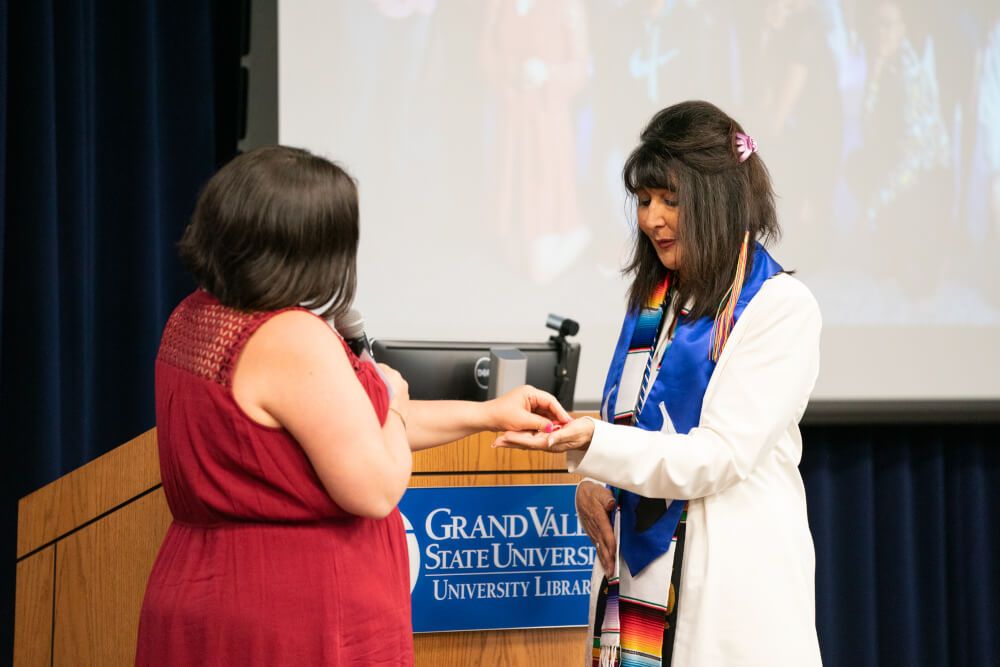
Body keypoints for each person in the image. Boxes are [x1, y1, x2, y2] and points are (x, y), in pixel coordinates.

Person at [134, 145, 570, 666]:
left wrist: (486, 413)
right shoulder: (290, 335)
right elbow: (377, 486)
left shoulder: (196, 314)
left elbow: (348, 432)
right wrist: (397, 403)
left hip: (206, 590)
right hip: (289, 611)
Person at [496, 101, 823, 666]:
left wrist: (593, 445)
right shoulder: (658, 303)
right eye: (645, 200)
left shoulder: (780, 308)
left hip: (728, 585)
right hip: (639, 581)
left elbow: (717, 457)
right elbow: (635, 429)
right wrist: (597, 482)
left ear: (717, 199)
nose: (651, 218)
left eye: (670, 200)